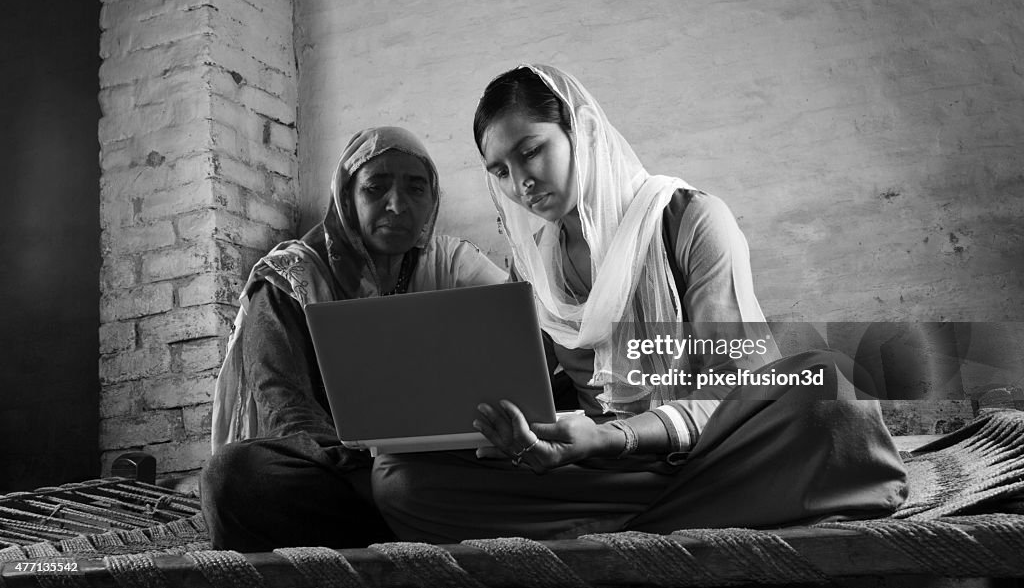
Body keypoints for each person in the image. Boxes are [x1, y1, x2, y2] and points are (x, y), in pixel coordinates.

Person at [371, 65, 908, 543]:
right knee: (401, 479)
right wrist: (502, 430)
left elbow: (740, 384)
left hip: (710, 445)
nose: (522, 182)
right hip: (604, 467)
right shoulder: (532, 264)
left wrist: (613, 437)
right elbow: (523, 388)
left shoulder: (692, 219)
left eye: (531, 150)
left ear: (581, 130)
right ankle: (704, 516)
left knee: (832, 389)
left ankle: (606, 528)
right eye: (500, 170)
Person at [201, 126, 506, 551]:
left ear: (432, 202)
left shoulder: (451, 263)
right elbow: (287, 411)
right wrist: (376, 468)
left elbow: (523, 338)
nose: (397, 205)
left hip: (440, 466)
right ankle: (419, 524)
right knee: (234, 477)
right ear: (347, 198)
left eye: (416, 189)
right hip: (346, 475)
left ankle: (411, 522)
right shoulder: (291, 280)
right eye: (376, 188)